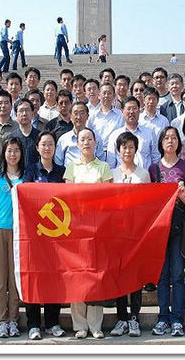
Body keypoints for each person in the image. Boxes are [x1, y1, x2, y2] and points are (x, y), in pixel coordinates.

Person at [64, 127, 114, 339]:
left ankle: (95, 325)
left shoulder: (104, 167)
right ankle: (79, 325)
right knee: (77, 275)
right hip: (76, 228)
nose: (86, 142)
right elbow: (67, 196)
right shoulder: (71, 167)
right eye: (82, 139)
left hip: (97, 228)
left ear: (95, 142)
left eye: (89, 139)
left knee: (95, 275)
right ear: (77, 144)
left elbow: (109, 198)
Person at [148, 127, 185, 337]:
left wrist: (182, 193)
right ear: (161, 142)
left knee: (177, 274)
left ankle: (177, 319)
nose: (170, 141)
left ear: (179, 142)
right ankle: (163, 318)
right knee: (162, 275)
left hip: (179, 227)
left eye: (174, 137)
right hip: (159, 229)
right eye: (166, 138)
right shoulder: (154, 169)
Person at [23, 131, 67, 339]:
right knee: (34, 277)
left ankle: (52, 322)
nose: (47, 148)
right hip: (35, 233)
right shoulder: (31, 171)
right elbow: (24, 195)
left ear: (55, 148)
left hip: (57, 234)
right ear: (37, 147)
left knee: (54, 278)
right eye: (44, 144)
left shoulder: (62, 172)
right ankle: (33, 323)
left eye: (51, 144)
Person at [0, 137, 26, 338]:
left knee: (14, 279)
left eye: (16, 150)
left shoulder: (25, 177)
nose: (13, 154)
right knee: (0, 279)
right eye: (9, 150)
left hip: (19, 233)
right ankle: (2, 321)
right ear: (4, 153)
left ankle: (13, 320)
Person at [106, 96, 160, 170]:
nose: (131, 112)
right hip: (121, 176)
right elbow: (111, 162)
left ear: (139, 111)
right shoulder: (115, 135)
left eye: (134, 108)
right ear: (122, 111)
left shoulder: (149, 133)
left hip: (145, 175)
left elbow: (156, 158)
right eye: (128, 109)